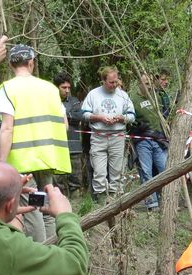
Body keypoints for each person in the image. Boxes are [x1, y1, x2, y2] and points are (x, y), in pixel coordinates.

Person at [0, 44, 71, 242]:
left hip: (22, 160)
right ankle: (54, 248)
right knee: (47, 205)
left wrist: (0, 163)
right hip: (48, 157)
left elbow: (7, 128)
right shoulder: (50, 89)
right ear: (31, 63)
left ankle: (40, 252)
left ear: (11, 65)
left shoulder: (8, 88)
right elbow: (64, 125)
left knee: (32, 208)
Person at [81, 66, 135, 203]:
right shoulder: (93, 94)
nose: (114, 85)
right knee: (99, 170)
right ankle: (101, 199)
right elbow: (84, 114)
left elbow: (132, 116)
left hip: (118, 135)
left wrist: (122, 118)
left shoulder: (123, 95)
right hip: (98, 135)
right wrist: (99, 117)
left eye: (116, 81)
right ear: (103, 81)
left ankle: (116, 198)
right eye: (111, 82)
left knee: (117, 170)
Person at [129, 73, 168, 211]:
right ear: (139, 83)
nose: (149, 86)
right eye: (146, 83)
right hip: (142, 140)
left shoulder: (156, 97)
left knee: (165, 168)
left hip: (158, 139)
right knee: (146, 171)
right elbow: (129, 121)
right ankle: (152, 203)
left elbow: (163, 116)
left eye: (150, 83)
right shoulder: (132, 99)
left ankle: (167, 201)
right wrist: (137, 128)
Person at [53, 73, 88, 196]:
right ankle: (60, 203)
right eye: (64, 87)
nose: (67, 90)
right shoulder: (50, 101)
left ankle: (77, 204)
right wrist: (68, 116)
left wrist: (61, 116)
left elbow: (79, 116)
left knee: (75, 178)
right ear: (56, 87)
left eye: (69, 87)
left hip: (74, 146)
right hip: (56, 146)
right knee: (57, 180)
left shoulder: (74, 101)